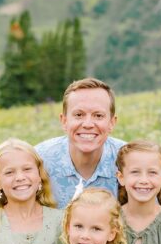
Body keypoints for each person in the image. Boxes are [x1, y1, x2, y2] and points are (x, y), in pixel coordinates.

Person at [37, 78, 126, 208]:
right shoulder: (38, 160)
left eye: (98, 115)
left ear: (112, 122)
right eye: (79, 115)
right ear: (64, 121)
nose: (88, 124)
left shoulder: (129, 161)